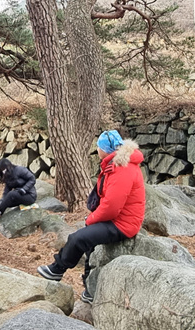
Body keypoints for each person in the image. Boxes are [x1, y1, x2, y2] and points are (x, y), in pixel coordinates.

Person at [37, 130, 146, 303]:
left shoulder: (122, 169)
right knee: (89, 244)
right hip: (119, 220)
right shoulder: (119, 164)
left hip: (122, 224)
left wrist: (91, 219)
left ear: (105, 149)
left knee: (77, 239)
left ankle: (56, 269)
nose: (96, 150)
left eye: (98, 147)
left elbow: (111, 207)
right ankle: (90, 288)